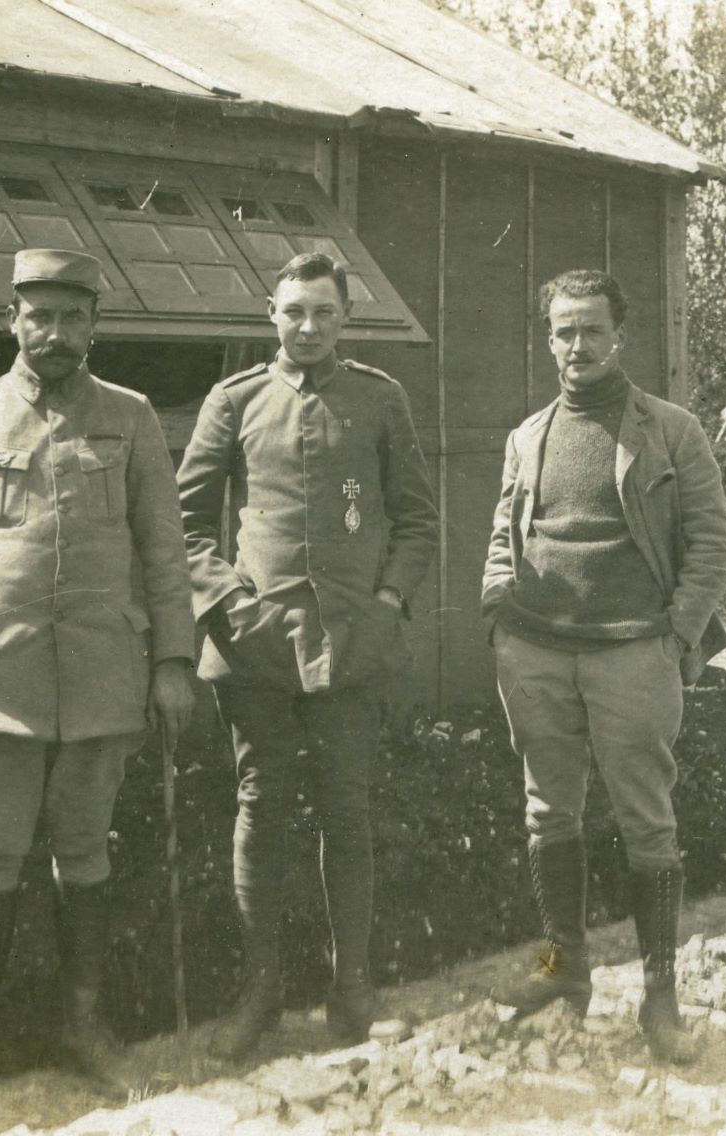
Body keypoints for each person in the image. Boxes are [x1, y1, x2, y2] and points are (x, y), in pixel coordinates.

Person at [0, 248, 196, 1104]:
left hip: (103, 674)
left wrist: (173, 661)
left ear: (94, 325)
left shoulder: (130, 419)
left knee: (85, 852)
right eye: (39, 316)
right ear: (12, 321)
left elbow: (165, 552)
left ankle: (84, 1025)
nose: (55, 334)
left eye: (72, 318)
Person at [178, 252, 438, 1060]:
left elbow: (416, 519)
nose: (308, 327)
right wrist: (226, 603)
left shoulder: (378, 398)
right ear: (271, 314)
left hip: (351, 646)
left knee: (346, 812)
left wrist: (390, 600)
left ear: (344, 320)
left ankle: (350, 985)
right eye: (294, 312)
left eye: (323, 313)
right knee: (259, 808)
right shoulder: (236, 401)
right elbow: (183, 521)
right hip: (256, 644)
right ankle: (261, 992)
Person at [480, 269, 726, 1063]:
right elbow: (502, 532)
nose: (577, 345)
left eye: (591, 329)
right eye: (563, 330)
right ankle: (564, 970)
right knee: (546, 814)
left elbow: (712, 542)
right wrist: (497, 604)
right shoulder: (528, 435)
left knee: (644, 822)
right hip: (536, 651)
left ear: (618, 337)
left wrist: (675, 634)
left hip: (632, 652)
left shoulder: (670, 429)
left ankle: (658, 999)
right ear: (547, 337)